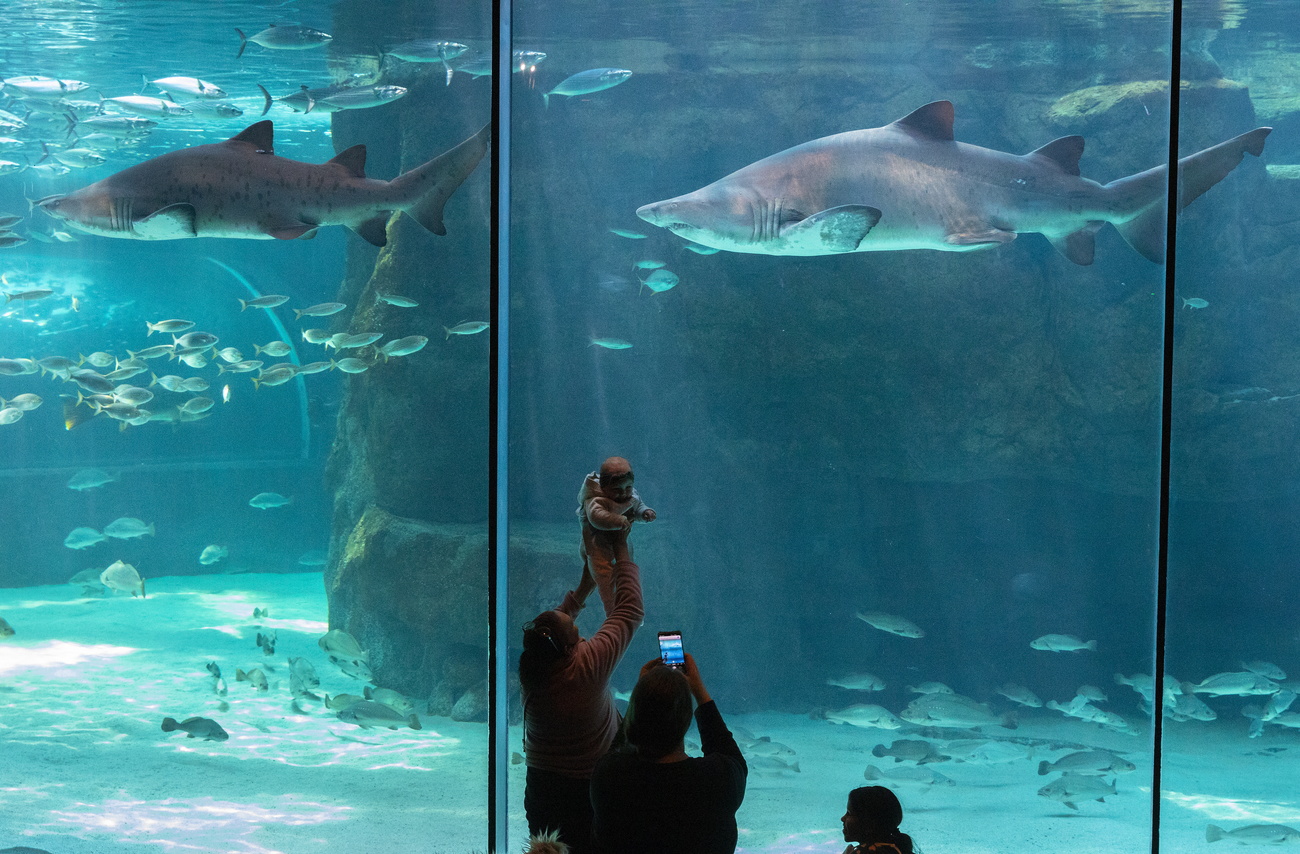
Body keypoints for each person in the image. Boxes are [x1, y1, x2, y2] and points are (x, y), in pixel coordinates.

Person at [520, 528, 643, 854]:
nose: (582, 634)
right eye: (577, 631)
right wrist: (622, 550)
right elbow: (629, 611)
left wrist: (586, 585)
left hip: (542, 789)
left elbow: (547, 629)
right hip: (588, 790)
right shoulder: (586, 668)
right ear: (571, 647)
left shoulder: (533, 670)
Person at [590, 653, 747, 854]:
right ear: (687, 719)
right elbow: (732, 757)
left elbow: (618, 752)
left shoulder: (609, 777)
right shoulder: (718, 779)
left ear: (636, 717)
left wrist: (642, 694)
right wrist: (699, 692)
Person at [578, 457, 655, 613]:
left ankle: (627, 608)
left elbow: (637, 505)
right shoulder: (595, 499)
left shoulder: (629, 494)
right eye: (617, 490)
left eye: (628, 487)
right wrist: (617, 520)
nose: (624, 494)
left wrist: (644, 513)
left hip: (622, 543)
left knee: (624, 574)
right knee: (606, 581)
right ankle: (613, 612)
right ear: (604, 487)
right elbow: (596, 517)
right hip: (598, 549)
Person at [841, 785, 915, 854]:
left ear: (869, 822)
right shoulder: (894, 847)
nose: (843, 818)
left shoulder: (865, 851)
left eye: (849, 813)